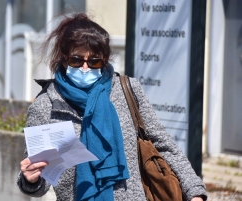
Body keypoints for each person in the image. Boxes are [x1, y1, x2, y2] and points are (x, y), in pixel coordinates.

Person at [17, 13, 207, 201]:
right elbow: (39, 181)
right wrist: (31, 179)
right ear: (64, 58)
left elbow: (164, 145)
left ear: (105, 60)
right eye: (76, 60)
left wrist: (194, 191)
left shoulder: (127, 90)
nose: (85, 68)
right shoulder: (45, 105)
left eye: (94, 62)